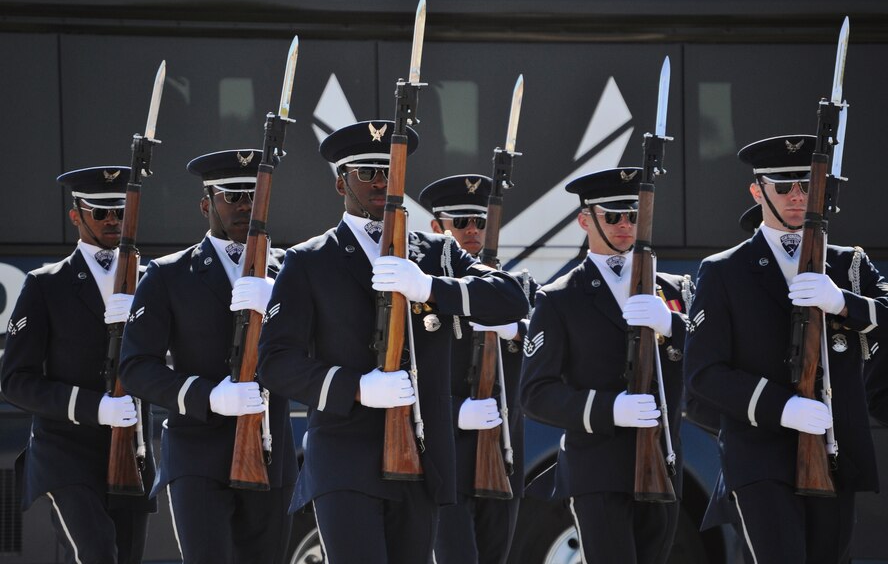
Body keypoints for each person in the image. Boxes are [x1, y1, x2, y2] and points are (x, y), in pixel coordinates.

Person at [256, 121, 529, 564]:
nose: (382, 181)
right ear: (340, 181)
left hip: (421, 461)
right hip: (344, 459)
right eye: (367, 172)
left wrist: (430, 288)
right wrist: (356, 386)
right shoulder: (310, 261)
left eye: (390, 170)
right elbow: (275, 362)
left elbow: (509, 299)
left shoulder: (436, 254)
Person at [684, 134, 888, 563]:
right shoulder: (724, 271)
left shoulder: (848, 266)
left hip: (835, 453)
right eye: (783, 187)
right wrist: (780, 407)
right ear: (758, 191)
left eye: (808, 186)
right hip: (759, 456)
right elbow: (704, 373)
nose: (798, 197)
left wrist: (843, 303)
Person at [119, 149, 297, 564]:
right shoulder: (169, 274)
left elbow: (315, 350)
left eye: (253, 196)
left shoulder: (289, 270)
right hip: (197, 454)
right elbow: (136, 367)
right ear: (206, 205)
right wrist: (208, 396)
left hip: (271, 452)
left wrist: (280, 305)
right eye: (231, 196)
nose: (245, 206)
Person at [520, 167, 692, 564]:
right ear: (586, 220)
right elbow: (536, 393)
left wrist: (672, 325)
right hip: (597, 468)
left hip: (663, 462)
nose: (624, 226)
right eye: (612, 216)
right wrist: (610, 408)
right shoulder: (560, 299)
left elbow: (706, 364)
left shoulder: (672, 291)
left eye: (633, 215)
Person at [0, 166, 156, 563]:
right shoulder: (45, 284)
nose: (112, 221)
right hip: (64, 452)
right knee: (97, 551)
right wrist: (93, 406)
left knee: (125, 557)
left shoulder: (152, 280)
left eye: (120, 212)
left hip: (131, 451)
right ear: (76, 216)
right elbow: (16, 380)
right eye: (101, 212)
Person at [418, 174, 535, 564]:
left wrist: (517, 330)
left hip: (502, 455)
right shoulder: (425, 292)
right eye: (461, 222)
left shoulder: (518, 289)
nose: (472, 231)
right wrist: (455, 413)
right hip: (446, 453)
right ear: (437, 228)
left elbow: (550, 355)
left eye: (480, 222)